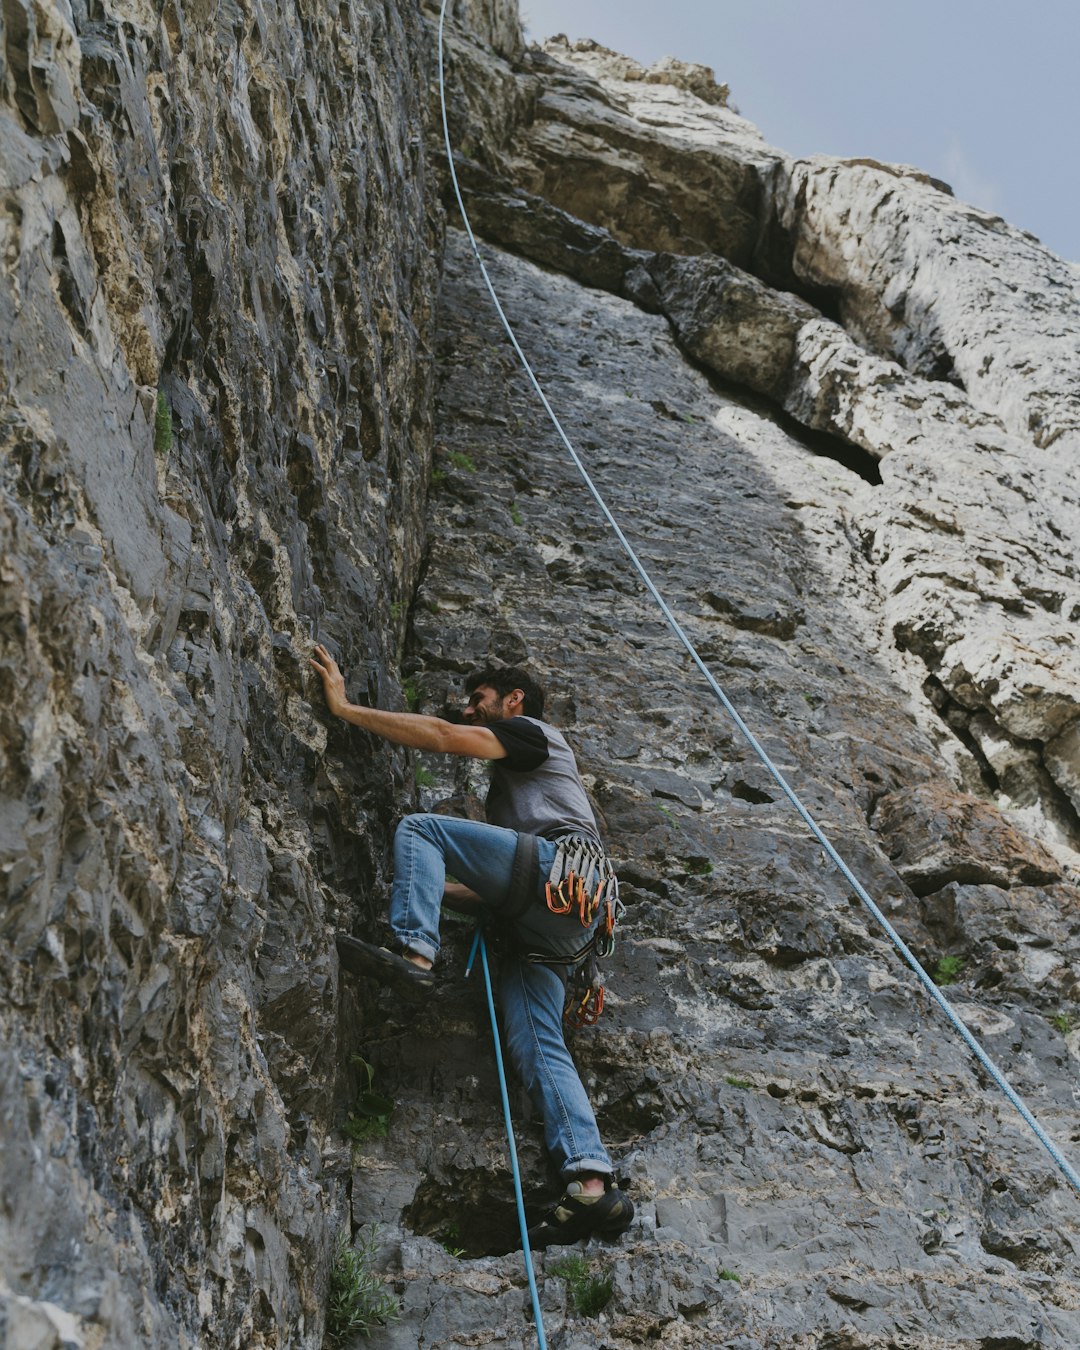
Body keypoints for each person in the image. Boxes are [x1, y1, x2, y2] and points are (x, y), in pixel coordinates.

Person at [308, 643, 633, 1248]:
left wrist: (345, 707)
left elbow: (437, 735)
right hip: (560, 928)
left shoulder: (530, 733)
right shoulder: (519, 788)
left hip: (558, 876)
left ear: (512, 701)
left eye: (477, 700)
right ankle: (592, 1184)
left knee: (420, 828)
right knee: (539, 1046)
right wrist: (428, 884)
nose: (466, 709)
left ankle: (415, 956)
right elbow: (490, 884)